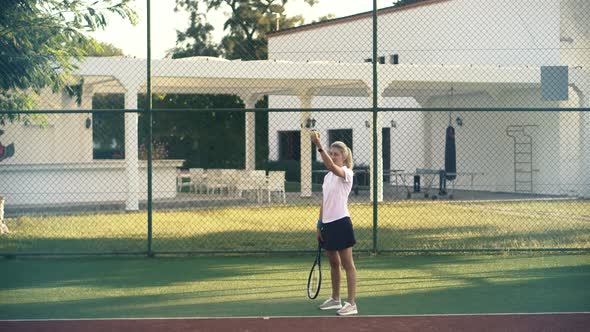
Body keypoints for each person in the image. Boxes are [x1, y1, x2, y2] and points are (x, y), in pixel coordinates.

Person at [310, 130, 358, 316]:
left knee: (348, 264)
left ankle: (352, 304)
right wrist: (319, 224)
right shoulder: (327, 178)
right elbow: (324, 201)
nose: (332, 156)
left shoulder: (346, 173)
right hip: (328, 224)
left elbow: (330, 166)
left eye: (336, 154)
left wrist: (318, 144)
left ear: (344, 157)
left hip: (341, 223)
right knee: (333, 263)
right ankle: (336, 299)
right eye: (331, 153)